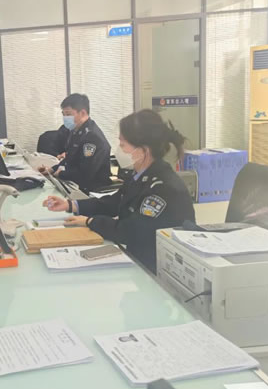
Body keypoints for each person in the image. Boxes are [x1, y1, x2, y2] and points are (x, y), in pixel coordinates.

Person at [43, 109, 195, 273]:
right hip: (139, 255)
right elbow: (115, 202)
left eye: (123, 145)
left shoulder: (163, 187)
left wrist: (90, 222)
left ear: (143, 150)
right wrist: (70, 205)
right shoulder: (141, 174)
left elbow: (130, 231)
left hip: (158, 269)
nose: (118, 150)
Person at [40, 93, 111, 192]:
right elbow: (70, 159)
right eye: (63, 114)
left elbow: (85, 174)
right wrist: (52, 169)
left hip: (91, 189)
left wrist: (61, 174)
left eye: (68, 114)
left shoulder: (92, 137)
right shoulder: (75, 130)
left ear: (82, 113)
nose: (65, 118)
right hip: (74, 183)